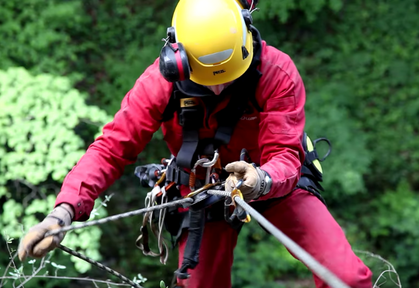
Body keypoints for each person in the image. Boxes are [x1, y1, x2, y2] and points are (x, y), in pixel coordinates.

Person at [18, 0, 373, 287]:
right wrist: (62, 212)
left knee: (348, 278)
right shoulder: (160, 83)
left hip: (276, 183)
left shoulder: (276, 72)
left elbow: (284, 153)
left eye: (229, 77)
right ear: (179, 58)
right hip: (201, 191)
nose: (219, 88)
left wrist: (260, 180)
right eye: (209, 79)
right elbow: (111, 149)